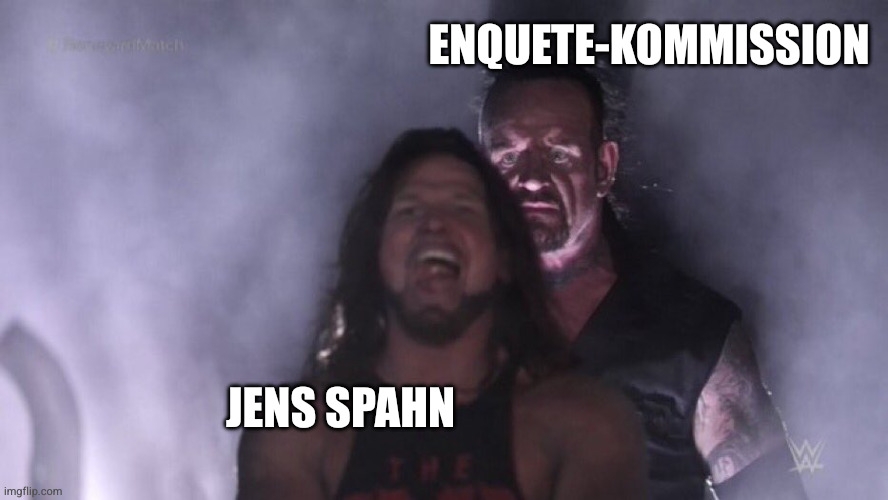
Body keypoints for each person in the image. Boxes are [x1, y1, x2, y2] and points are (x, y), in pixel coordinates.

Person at [236, 128, 647, 500]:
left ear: (504, 258)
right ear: (376, 255)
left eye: (462, 208)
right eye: (409, 210)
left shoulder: (585, 424)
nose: (434, 224)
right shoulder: (295, 432)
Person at [478, 66, 808, 499]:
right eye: (508, 157)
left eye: (558, 155)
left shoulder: (692, 336)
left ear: (603, 167)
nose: (532, 177)